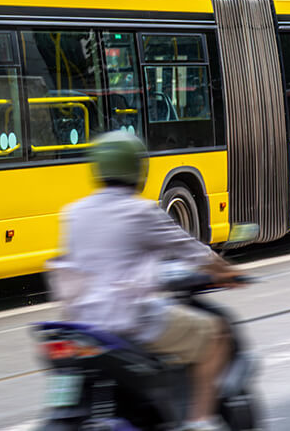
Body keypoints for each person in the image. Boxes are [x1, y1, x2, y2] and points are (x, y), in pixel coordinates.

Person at [51, 131, 244, 431]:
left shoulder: (74, 212)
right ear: (138, 168)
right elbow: (192, 250)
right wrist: (226, 272)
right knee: (215, 334)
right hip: (130, 320)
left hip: (83, 325)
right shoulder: (140, 211)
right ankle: (200, 421)